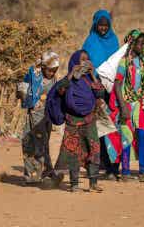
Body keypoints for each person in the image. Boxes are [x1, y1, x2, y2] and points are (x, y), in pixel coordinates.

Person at [52, 50, 103, 193]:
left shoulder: (89, 79)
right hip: (72, 121)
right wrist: (71, 74)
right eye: (81, 60)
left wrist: (93, 73)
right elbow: (60, 90)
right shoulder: (68, 81)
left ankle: (93, 183)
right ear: (74, 62)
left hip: (89, 120)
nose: (84, 63)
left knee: (93, 150)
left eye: (87, 60)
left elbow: (100, 93)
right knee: (74, 152)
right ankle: (74, 184)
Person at [81, 9, 121, 181]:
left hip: (113, 91)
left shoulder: (114, 41)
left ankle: (113, 164)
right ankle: (103, 162)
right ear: (95, 24)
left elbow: (119, 62)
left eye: (106, 25)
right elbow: (84, 63)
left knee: (113, 126)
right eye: (100, 25)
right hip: (95, 90)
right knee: (100, 128)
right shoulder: (90, 41)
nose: (103, 28)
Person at [112, 29, 144, 183]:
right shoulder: (124, 62)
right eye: (138, 43)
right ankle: (125, 172)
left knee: (143, 135)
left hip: (139, 104)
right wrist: (123, 106)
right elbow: (117, 84)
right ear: (131, 43)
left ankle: (143, 171)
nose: (141, 46)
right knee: (127, 137)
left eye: (143, 43)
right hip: (126, 103)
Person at [18, 51, 60, 185]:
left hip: (46, 116)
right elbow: (21, 89)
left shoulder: (53, 78)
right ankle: (33, 176)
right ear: (43, 67)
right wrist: (27, 99)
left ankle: (47, 170)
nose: (52, 73)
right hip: (34, 116)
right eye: (50, 70)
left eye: (55, 70)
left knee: (43, 144)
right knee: (33, 144)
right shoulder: (33, 75)